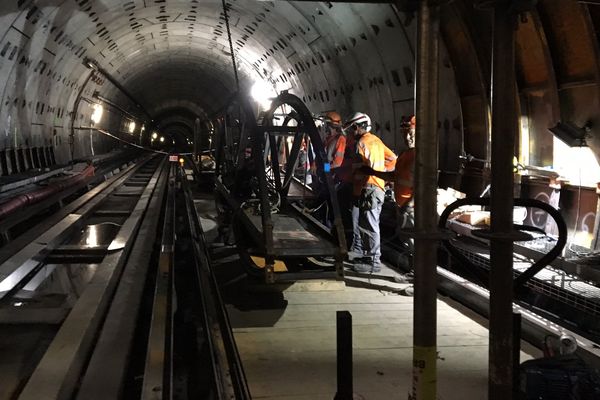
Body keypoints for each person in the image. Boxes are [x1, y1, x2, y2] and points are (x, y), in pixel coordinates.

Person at [345, 112, 396, 273]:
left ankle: (374, 261)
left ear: (356, 127)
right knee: (366, 224)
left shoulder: (362, 143)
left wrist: (358, 188)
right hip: (376, 187)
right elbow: (393, 158)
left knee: (370, 226)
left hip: (368, 188)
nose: (349, 133)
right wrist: (384, 176)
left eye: (350, 129)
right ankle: (368, 256)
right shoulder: (376, 140)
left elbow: (364, 170)